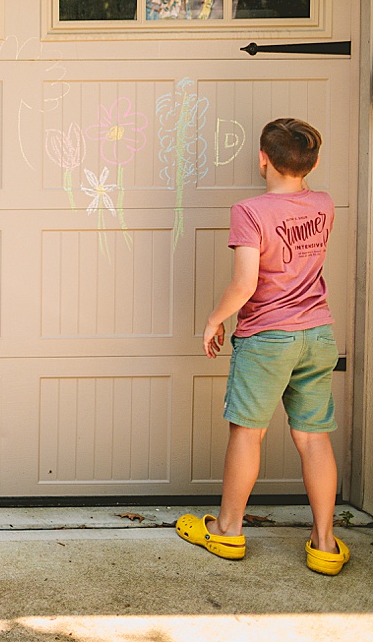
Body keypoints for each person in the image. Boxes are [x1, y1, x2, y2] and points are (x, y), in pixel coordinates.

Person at [177, 118, 348, 575]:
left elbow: (246, 282)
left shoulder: (249, 210)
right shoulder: (325, 204)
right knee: (313, 437)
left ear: (262, 159)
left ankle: (228, 531)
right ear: (310, 161)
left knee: (248, 432)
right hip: (318, 334)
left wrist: (215, 318)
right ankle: (325, 543)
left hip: (268, 337)